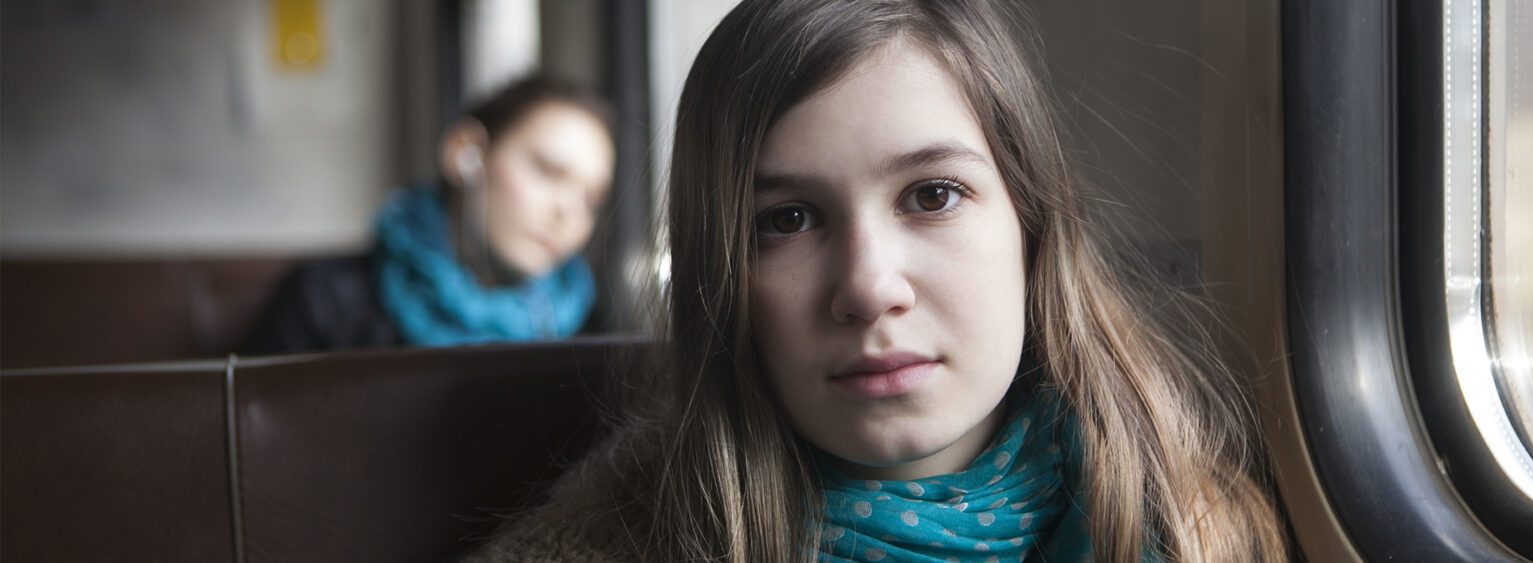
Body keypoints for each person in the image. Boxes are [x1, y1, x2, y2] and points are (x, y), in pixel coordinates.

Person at [465, 0, 1284, 560]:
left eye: (932, 196)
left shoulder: (1199, 527)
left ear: (1031, 226)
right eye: (786, 220)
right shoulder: (604, 542)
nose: (868, 285)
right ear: (723, 276)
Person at [246, 75, 615, 354]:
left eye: (591, 200)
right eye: (548, 171)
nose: (569, 212)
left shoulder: (590, 330)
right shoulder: (325, 303)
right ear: (465, 153)